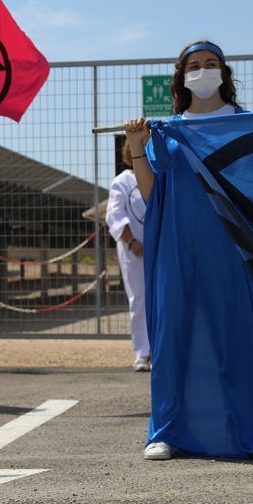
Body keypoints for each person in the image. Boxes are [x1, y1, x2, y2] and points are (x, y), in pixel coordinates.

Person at [124, 40, 253, 462]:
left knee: (243, 332)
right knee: (176, 332)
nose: (204, 71)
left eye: (212, 64)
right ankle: (168, 429)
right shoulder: (168, 130)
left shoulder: (246, 126)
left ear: (224, 74)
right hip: (180, 244)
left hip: (239, 248)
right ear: (182, 75)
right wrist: (138, 144)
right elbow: (154, 193)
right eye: (195, 65)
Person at [105, 140, 150, 372]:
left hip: (160, 251)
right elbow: (114, 215)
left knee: (165, 300)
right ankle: (142, 353)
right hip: (133, 252)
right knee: (139, 300)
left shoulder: (159, 176)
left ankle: (164, 350)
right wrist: (132, 242)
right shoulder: (122, 181)